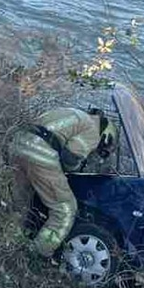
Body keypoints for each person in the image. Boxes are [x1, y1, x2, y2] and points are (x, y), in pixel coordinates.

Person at [9, 107, 119, 258]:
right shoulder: (93, 130)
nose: (98, 151)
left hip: (18, 145)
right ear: (106, 136)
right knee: (65, 209)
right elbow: (70, 158)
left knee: (20, 200)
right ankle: (36, 253)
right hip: (40, 154)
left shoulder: (73, 113)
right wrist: (74, 169)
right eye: (102, 149)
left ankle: (8, 241)